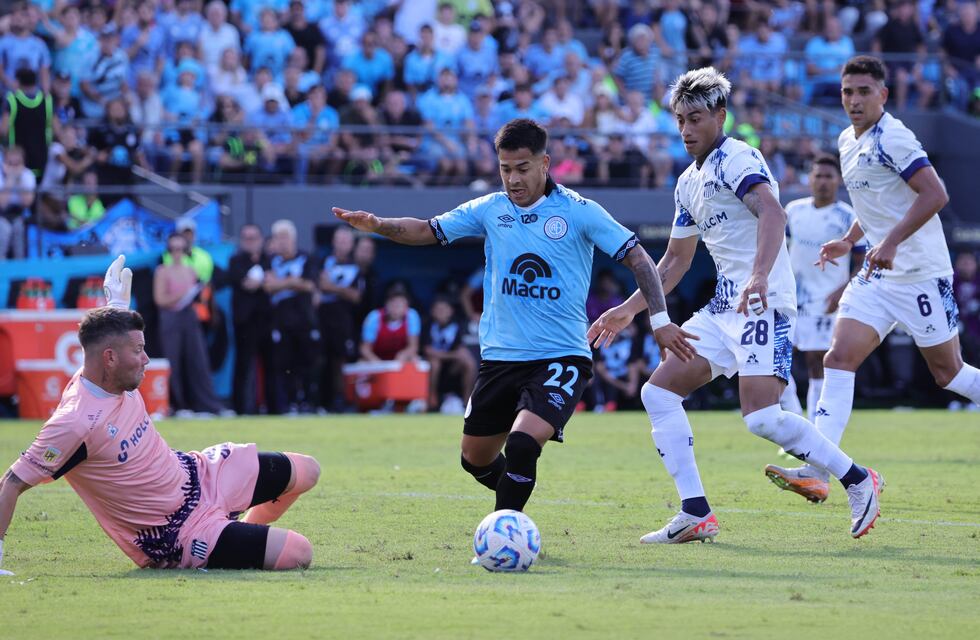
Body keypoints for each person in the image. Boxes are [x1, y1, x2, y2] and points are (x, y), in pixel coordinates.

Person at [333, 117, 694, 521]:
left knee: (522, 443)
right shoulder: (490, 209)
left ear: (545, 163)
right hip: (501, 359)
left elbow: (639, 258)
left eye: (522, 168)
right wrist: (379, 226)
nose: (513, 179)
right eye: (505, 169)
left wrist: (659, 320)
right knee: (475, 459)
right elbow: (427, 231)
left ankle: (507, 528)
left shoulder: (579, 212)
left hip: (561, 356)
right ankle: (515, 496)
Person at [589, 67, 883, 544]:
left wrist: (761, 277)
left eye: (696, 118)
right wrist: (628, 309)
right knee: (658, 393)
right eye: (680, 119)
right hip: (724, 307)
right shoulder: (687, 182)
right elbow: (676, 262)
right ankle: (695, 512)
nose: (686, 129)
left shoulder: (738, 157)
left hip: (763, 303)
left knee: (761, 417)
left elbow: (773, 212)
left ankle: (857, 479)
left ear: (720, 116)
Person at [0, 256, 319, 574]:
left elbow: (112, 336)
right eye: (138, 351)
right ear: (110, 359)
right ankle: (226, 540)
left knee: (308, 470)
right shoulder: (76, 423)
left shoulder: (107, 371)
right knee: (299, 552)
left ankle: (237, 532)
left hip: (198, 475)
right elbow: (10, 484)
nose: (146, 359)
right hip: (176, 532)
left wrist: (117, 305)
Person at [765, 55, 980, 502]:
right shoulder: (847, 139)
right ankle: (818, 470)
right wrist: (849, 239)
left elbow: (935, 194)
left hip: (920, 275)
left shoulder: (895, 138)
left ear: (883, 94)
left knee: (949, 374)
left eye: (864, 91)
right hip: (877, 276)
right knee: (837, 359)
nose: (855, 100)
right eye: (848, 92)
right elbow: (876, 204)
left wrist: (894, 242)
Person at [778, 155, 864, 422]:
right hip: (792, 296)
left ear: (838, 181)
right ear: (810, 179)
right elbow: (779, 250)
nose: (823, 182)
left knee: (818, 361)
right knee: (776, 356)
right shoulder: (793, 210)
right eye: (818, 176)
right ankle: (793, 419)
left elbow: (862, 261)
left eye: (829, 176)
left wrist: (843, 291)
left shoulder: (848, 217)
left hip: (827, 298)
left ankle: (816, 426)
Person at [153, 233, 225, 416]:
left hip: (189, 316)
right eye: (173, 249)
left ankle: (208, 405)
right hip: (170, 317)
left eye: (181, 249)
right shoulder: (162, 271)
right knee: (173, 362)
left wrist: (195, 295)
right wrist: (183, 294)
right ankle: (177, 405)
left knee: (198, 360)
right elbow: (160, 299)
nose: (177, 253)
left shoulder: (191, 271)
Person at [264, 219, 319, 414]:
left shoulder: (306, 258)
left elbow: (309, 285)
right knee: (284, 365)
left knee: (307, 363)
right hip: (280, 321)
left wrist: (282, 283)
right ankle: (287, 404)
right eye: (278, 237)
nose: (282, 242)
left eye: (285, 237)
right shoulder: (270, 260)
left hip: (304, 319)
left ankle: (308, 403)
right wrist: (292, 282)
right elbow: (268, 286)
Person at [318, 226, 363, 412]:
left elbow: (356, 296)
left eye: (346, 240)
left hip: (344, 321)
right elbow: (320, 285)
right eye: (339, 240)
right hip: (322, 319)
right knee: (321, 360)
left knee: (341, 361)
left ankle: (341, 400)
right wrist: (342, 290)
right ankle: (321, 401)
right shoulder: (323, 262)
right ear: (333, 242)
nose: (342, 244)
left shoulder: (356, 268)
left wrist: (332, 287)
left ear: (352, 244)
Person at [228, 224, 270, 415]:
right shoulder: (236, 260)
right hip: (244, 321)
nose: (250, 241)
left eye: (254, 237)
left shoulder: (269, 259)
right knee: (243, 364)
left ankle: (272, 407)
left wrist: (263, 282)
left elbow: (271, 283)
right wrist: (264, 282)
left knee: (271, 364)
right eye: (246, 238)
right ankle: (241, 408)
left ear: (261, 239)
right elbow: (247, 284)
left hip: (266, 318)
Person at [423, 295, 477, 412]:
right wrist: (449, 355)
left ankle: (466, 401)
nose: (441, 312)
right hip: (433, 365)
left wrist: (449, 355)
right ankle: (431, 399)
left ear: (451, 311)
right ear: (432, 312)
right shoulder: (427, 324)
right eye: (438, 309)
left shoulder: (459, 325)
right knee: (435, 362)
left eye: (444, 309)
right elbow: (428, 351)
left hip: (452, 367)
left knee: (468, 361)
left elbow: (461, 350)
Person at [359, 285, 421, 363]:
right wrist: (376, 362)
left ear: (406, 307)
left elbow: (413, 346)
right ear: (386, 305)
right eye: (392, 304)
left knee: (414, 359)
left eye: (399, 305)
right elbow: (365, 349)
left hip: (401, 359)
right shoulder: (374, 317)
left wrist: (404, 354)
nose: (395, 308)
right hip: (377, 358)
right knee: (361, 362)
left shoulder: (412, 316)